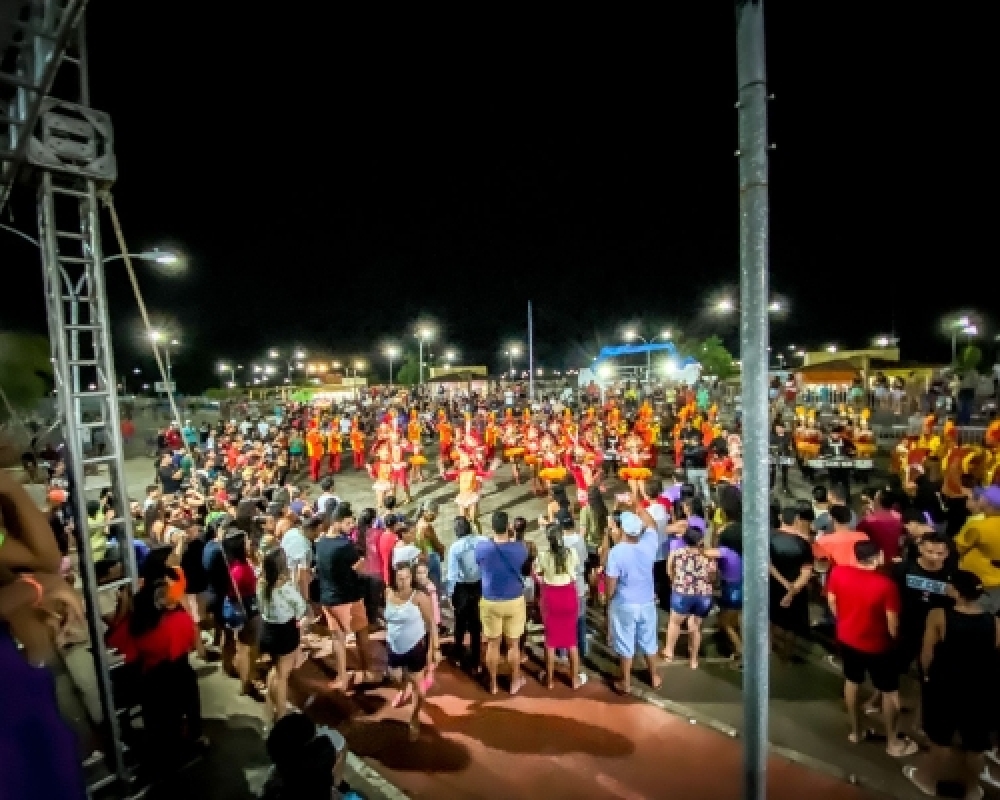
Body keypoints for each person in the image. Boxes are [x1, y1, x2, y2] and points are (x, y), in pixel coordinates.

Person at [905, 570, 1000, 797]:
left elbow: (927, 654)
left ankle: (926, 781)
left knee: (941, 740)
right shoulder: (995, 622)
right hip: (980, 688)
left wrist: (926, 676)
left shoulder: (939, 616)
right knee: (975, 746)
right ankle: (972, 789)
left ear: (956, 592)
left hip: (946, 684)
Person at [826, 540, 916, 758]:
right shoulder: (886, 586)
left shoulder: (838, 573)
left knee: (852, 681)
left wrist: (843, 621)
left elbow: (832, 601)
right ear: (878, 557)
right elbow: (892, 623)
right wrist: (897, 641)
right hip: (878, 646)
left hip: (847, 638)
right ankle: (893, 743)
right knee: (889, 691)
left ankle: (856, 732)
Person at [316, 503, 376, 689]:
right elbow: (360, 569)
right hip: (348, 598)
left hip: (328, 597)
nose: (351, 526)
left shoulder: (321, 542)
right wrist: (364, 562)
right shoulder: (344, 546)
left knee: (337, 639)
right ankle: (367, 671)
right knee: (362, 635)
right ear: (337, 522)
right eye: (348, 523)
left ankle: (342, 677)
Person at [605, 507, 663, 693]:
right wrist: (639, 507)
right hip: (647, 602)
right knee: (649, 641)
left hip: (625, 603)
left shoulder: (616, 553)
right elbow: (652, 524)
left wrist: (608, 600)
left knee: (625, 643)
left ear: (622, 530)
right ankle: (654, 676)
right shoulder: (649, 544)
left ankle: (626, 682)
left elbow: (611, 584)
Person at [475, 510, 529, 695]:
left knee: (493, 644)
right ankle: (514, 681)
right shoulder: (520, 548)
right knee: (513, 644)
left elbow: (479, 564)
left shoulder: (482, 548)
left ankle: (493, 684)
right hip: (514, 599)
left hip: (490, 600)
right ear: (509, 527)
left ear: (492, 527)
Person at [385, 562, 438, 741]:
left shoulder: (419, 597)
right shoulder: (388, 593)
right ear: (394, 579)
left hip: (415, 647)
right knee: (395, 676)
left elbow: (431, 623)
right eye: (400, 578)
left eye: (407, 578)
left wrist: (434, 648)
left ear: (412, 578)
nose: (404, 582)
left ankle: (414, 718)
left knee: (419, 685)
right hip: (393, 646)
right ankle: (403, 687)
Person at [258, 546, 308, 721]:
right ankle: (280, 716)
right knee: (282, 675)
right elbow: (302, 609)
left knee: (275, 668)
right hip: (284, 632)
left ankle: (270, 704)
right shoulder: (285, 586)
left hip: (267, 629)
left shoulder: (261, 582)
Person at [535, 523, 584, 689]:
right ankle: (575, 680)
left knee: (550, 641)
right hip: (568, 595)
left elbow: (539, 573)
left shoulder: (543, 556)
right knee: (571, 641)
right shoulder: (571, 553)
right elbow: (574, 569)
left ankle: (549, 681)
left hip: (552, 598)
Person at [769, 506, 814, 660]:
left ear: (781, 518)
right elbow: (806, 573)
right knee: (792, 626)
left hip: (772, 587)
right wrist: (791, 591)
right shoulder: (803, 544)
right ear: (796, 521)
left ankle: (770, 648)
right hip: (797, 591)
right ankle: (786, 656)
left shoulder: (769, 538)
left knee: (771, 619)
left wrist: (784, 584)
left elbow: (767, 565)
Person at [224, 529, 262, 700]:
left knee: (241, 645)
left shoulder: (232, 564)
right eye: (246, 541)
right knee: (247, 648)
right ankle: (246, 682)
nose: (249, 543)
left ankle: (239, 676)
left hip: (237, 606)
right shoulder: (241, 570)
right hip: (248, 608)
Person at [445, 515, 485, 672]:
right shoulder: (482, 541)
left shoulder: (455, 547)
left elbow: (452, 574)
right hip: (479, 585)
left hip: (462, 587)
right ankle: (476, 659)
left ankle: (458, 653)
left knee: (460, 621)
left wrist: (449, 593)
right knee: (476, 623)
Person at [953, 486, 1000, 613]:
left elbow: (958, 548)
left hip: (978, 579)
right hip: (996, 580)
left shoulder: (979, 527)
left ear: (988, 502)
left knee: (972, 612)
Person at [858, 489, 906, 563]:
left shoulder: (869, 520)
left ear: (877, 502)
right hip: (895, 558)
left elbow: (859, 538)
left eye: (875, 498)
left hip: (876, 560)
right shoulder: (899, 516)